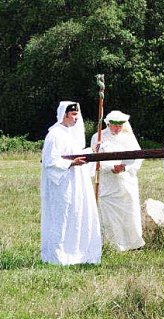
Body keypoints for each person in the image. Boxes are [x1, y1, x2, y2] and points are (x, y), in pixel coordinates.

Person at [40, 101, 102, 265]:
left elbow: (77, 153)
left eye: (77, 114)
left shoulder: (70, 134)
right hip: (61, 185)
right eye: (73, 114)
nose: (76, 118)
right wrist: (71, 163)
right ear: (64, 115)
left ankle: (78, 254)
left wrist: (92, 151)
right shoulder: (54, 135)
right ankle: (57, 256)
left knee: (77, 214)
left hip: (76, 183)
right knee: (62, 217)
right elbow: (49, 161)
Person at [91, 110, 145, 251]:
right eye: (114, 125)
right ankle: (113, 245)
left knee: (130, 211)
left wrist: (124, 168)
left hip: (126, 182)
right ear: (108, 124)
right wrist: (110, 167)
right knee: (109, 215)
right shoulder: (98, 137)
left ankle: (133, 244)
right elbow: (95, 160)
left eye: (120, 125)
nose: (117, 128)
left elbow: (138, 157)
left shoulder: (129, 137)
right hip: (108, 183)